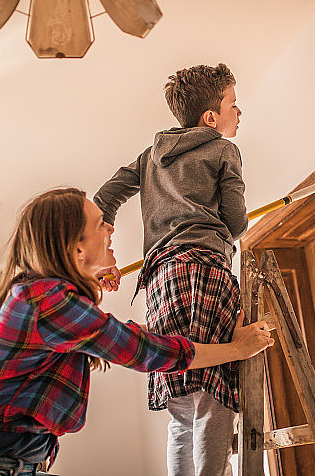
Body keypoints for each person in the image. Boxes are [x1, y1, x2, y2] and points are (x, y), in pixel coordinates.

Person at [0, 187, 271, 476]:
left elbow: (118, 337)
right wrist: (235, 350)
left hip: (7, 462)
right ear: (76, 248)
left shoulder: (43, 297)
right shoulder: (45, 300)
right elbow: (140, 349)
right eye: (100, 225)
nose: (111, 230)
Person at [93, 63, 247, 475]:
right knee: (213, 395)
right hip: (204, 268)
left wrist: (104, 238)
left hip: (161, 279)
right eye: (234, 103)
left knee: (181, 403)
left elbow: (106, 194)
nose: (240, 111)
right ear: (210, 117)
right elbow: (235, 222)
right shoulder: (222, 149)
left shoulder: (151, 155)